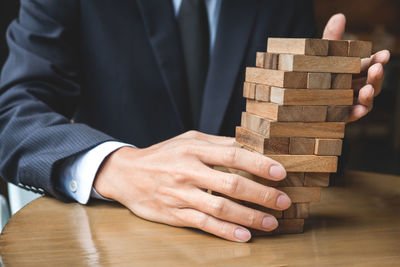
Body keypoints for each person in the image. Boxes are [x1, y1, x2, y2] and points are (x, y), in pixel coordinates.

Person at [0, 0, 390, 242]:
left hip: (254, 241)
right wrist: (115, 167)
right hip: (114, 241)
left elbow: (297, 158)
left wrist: (318, 113)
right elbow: (13, 113)